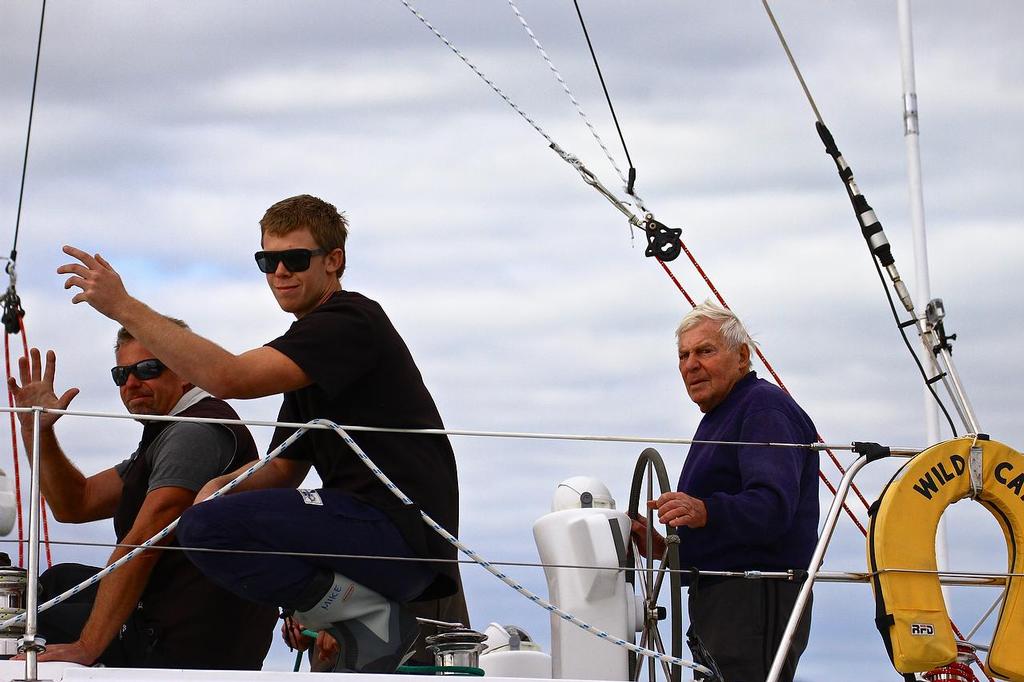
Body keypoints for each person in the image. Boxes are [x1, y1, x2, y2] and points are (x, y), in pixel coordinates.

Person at [56, 194, 466, 673]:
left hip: (398, 530)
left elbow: (233, 378)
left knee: (209, 529)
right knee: (212, 516)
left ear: (334, 261)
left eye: (295, 259)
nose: (280, 273)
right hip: (380, 536)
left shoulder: (351, 322)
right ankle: (353, 618)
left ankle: (370, 621)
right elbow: (283, 469)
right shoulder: (315, 355)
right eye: (267, 261)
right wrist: (216, 489)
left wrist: (124, 306)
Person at [7, 323, 277, 669]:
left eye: (147, 369)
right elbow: (76, 504)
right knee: (56, 581)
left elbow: (145, 539)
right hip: (173, 613)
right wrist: (36, 432)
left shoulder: (193, 434)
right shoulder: (169, 430)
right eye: (121, 374)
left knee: (24, 625)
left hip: (183, 643)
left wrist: (86, 646)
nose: (131, 383)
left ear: (186, 371)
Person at [633, 300, 819, 682]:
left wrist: (704, 511)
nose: (690, 364)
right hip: (723, 602)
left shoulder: (763, 407)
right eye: (683, 355)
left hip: (756, 598)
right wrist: (660, 546)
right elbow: (722, 533)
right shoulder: (722, 415)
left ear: (742, 357)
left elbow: (772, 507)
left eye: (705, 351)